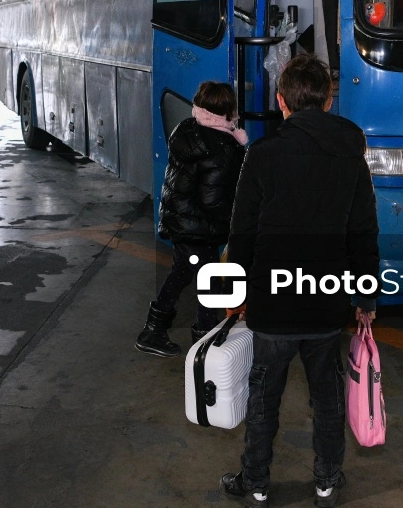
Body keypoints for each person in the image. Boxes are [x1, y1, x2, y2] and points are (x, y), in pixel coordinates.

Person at [220, 54, 379, 508]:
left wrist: (236, 293)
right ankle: (327, 483)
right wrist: (365, 296)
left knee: (264, 397)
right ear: (329, 102)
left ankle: (255, 483)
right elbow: (363, 233)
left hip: (274, 304)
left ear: (281, 101)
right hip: (327, 305)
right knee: (327, 397)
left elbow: (242, 233)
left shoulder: (262, 155)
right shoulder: (351, 157)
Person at [136, 82, 247, 358]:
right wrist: (235, 220)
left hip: (180, 220)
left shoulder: (187, 130)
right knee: (210, 284)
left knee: (181, 272)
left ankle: (153, 330)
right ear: (228, 112)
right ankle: (206, 345)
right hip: (197, 227)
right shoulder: (220, 147)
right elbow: (212, 200)